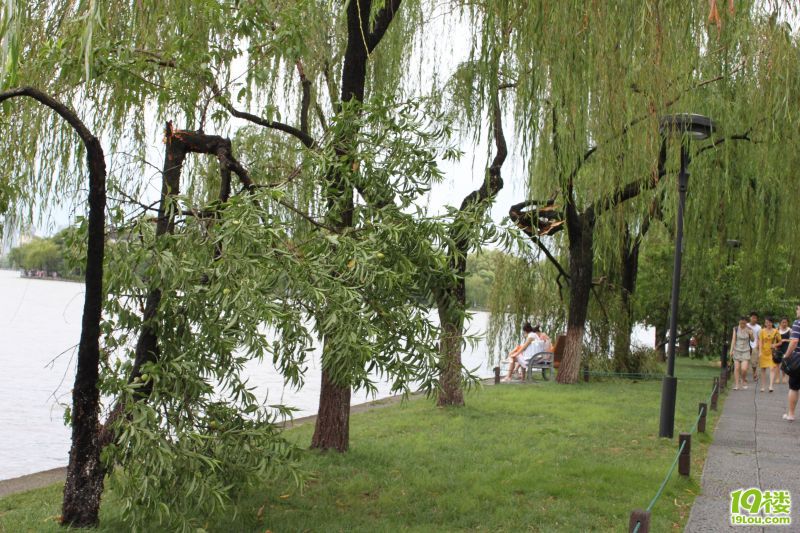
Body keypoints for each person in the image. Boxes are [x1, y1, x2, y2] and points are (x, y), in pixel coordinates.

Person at [779, 305, 800, 422]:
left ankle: (791, 414)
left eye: (797, 309)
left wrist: (786, 355)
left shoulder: (798, 323)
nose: (796, 311)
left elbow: (794, 342)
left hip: (798, 360)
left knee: (794, 387)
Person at [729, 316, 754, 390]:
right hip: (737, 350)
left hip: (746, 351)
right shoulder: (735, 329)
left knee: (744, 369)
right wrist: (731, 350)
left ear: (746, 322)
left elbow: (752, 340)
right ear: (739, 322)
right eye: (741, 322)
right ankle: (737, 385)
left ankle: (743, 380)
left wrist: (751, 334)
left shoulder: (749, 329)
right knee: (736, 368)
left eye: (744, 323)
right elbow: (733, 340)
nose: (742, 324)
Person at [757, 317, 780, 392]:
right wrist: (760, 352)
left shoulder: (776, 331)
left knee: (772, 368)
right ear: (765, 323)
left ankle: (771, 386)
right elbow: (760, 342)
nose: (768, 324)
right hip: (763, 352)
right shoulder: (762, 331)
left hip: (772, 352)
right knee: (763, 369)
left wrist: (775, 345)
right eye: (767, 322)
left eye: (769, 322)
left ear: (772, 323)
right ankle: (763, 386)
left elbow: (780, 342)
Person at [772, 317, 791, 387]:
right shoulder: (777, 330)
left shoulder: (790, 330)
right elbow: (774, 339)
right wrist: (774, 346)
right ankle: (777, 378)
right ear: (780, 323)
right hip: (778, 348)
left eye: (785, 322)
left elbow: (793, 340)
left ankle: (783, 377)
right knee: (777, 364)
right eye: (783, 322)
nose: (784, 324)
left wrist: (785, 340)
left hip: (786, 348)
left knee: (784, 363)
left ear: (787, 323)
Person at [746, 312, 761, 383]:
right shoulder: (746, 325)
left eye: (755, 318)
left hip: (755, 345)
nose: (754, 319)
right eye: (753, 317)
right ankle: (744, 376)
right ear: (750, 318)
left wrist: (757, 346)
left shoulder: (759, 327)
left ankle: (754, 373)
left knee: (754, 362)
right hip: (746, 345)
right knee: (745, 360)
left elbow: (759, 338)